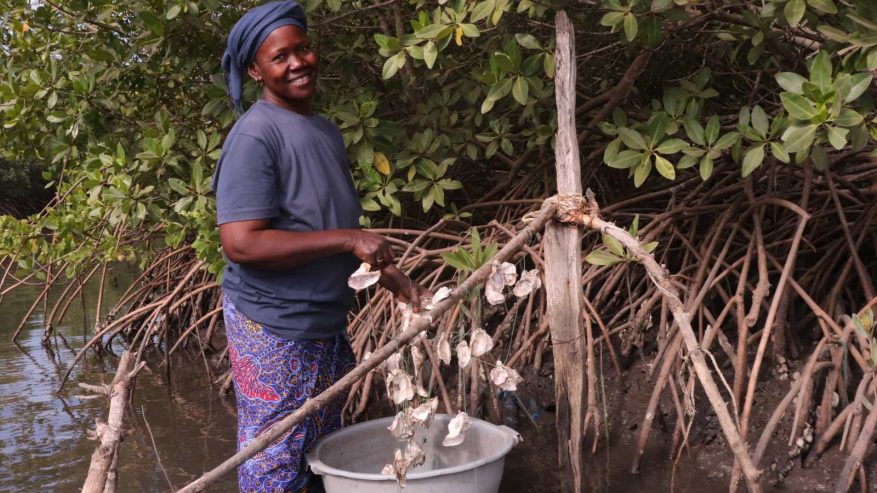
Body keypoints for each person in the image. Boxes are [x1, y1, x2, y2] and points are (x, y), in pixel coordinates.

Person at [211, 2, 430, 491]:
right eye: (280, 56)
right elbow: (241, 243)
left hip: (325, 322)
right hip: (274, 327)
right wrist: (350, 238)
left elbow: (329, 223)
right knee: (273, 463)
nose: (297, 63)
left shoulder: (324, 129)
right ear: (255, 69)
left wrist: (391, 278)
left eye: (303, 49)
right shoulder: (255, 136)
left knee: (318, 453)